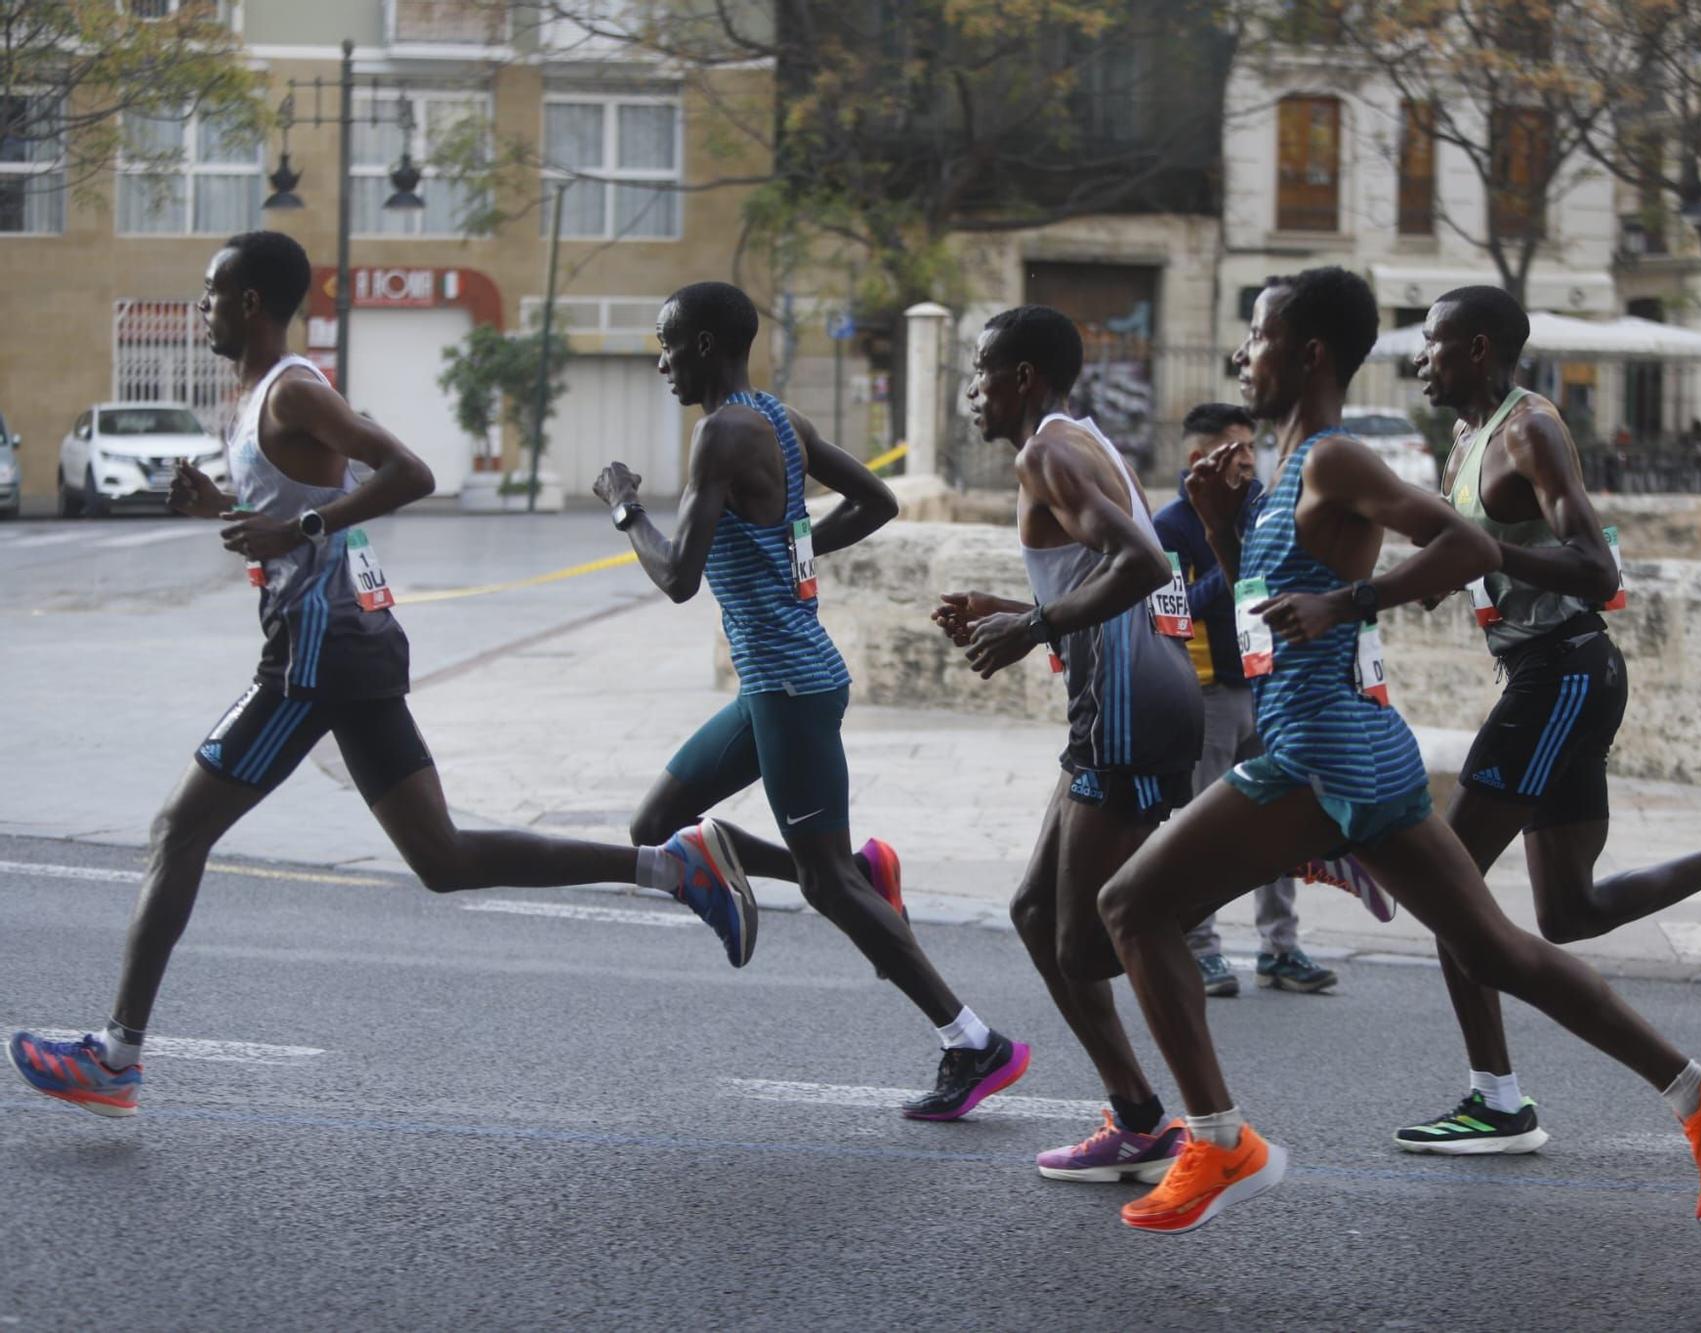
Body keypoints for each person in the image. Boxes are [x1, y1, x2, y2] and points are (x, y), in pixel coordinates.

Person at [6, 232, 753, 1119]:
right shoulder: (255, 397)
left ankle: (116, 1055)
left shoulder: (294, 388)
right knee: (441, 857)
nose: (200, 305)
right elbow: (298, 504)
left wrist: (307, 531)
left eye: (211, 292)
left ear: (250, 302)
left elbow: (408, 471)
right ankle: (675, 868)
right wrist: (230, 509)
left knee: (178, 826)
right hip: (348, 639)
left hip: (318, 649)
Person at [1093, 267, 1701, 1235]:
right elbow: (1266, 615)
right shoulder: (1283, 463)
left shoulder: (1335, 459)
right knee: (1494, 946)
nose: (1243, 354)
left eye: (1257, 335)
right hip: (1357, 747)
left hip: (1319, 750)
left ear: (1309, 352)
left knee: (1129, 905)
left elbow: (1466, 546)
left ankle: (1216, 1138)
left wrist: (1352, 600)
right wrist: (1217, 529)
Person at [1388, 285, 1701, 1155]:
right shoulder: (1464, 440)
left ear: (1480, 348)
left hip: (1563, 669)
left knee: (1447, 884)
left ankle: (1497, 1099)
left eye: (1434, 341)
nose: (1420, 356)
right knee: (1568, 911)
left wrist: (1489, 556)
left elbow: (1592, 564)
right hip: (1550, 670)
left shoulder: (1528, 428)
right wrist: (1438, 579)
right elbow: (1486, 554)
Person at [598, 281, 1028, 1119]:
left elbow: (679, 577)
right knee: (655, 828)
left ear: (711, 344)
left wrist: (624, 508)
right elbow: (878, 500)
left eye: (669, 345)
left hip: (790, 684)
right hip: (780, 680)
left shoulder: (722, 432)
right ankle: (862, 869)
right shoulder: (780, 420)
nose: (660, 363)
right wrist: (787, 551)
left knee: (828, 889)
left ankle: (973, 1041)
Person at [930, 305, 1203, 1184]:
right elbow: (1104, 576)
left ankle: (1204, 1121)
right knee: (1034, 915)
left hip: (1125, 711)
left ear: (1021, 377)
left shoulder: (1045, 451)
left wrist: (1033, 623)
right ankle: (1138, 1116)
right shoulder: (1081, 440)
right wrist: (1010, 614)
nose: (971, 389)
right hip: (1123, 703)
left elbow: (1144, 564)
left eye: (979, 371)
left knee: (1088, 939)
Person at [1152, 402, 1335, 997]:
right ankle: (1201, 947)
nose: (1251, 461)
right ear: (1197, 458)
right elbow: (1172, 613)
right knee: (1201, 825)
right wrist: (1231, 560)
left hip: (1269, 686)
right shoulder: (1173, 527)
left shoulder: (1263, 511)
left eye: (1255, 448)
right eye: (1236, 450)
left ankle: (1279, 947)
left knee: (1282, 823)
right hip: (1208, 693)